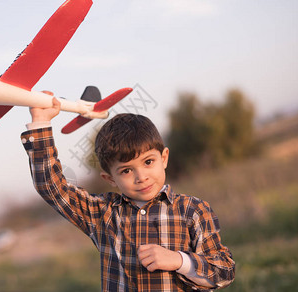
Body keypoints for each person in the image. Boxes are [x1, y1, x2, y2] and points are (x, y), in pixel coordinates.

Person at [21, 92, 235, 291]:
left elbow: (224, 272)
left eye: (148, 162)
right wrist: (41, 122)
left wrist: (180, 260)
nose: (141, 177)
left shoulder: (193, 210)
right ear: (110, 179)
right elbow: (52, 188)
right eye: (126, 170)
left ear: (164, 158)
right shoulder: (102, 213)